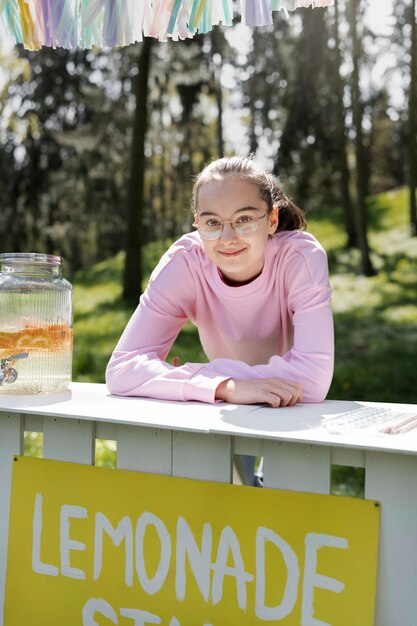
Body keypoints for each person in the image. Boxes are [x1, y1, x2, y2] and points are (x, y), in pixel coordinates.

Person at [106, 156, 334, 409]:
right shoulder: (184, 263)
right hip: (225, 403)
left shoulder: (300, 257)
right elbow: (121, 370)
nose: (227, 238)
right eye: (212, 222)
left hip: (291, 406)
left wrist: (188, 379)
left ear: (272, 220)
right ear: (197, 223)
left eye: (244, 219)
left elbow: (313, 378)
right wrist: (226, 387)